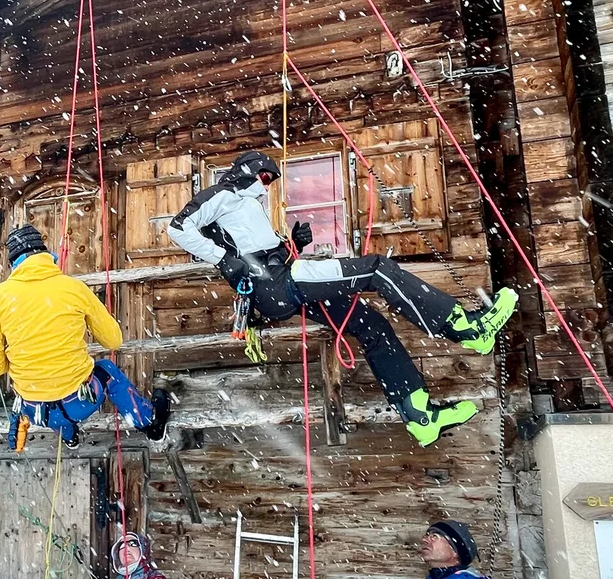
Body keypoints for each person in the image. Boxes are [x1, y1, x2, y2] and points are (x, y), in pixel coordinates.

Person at [167, 150, 516, 447]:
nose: (266, 184)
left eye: (270, 180)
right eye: (264, 176)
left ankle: (419, 414)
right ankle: (465, 327)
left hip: (280, 283)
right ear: (248, 169)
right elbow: (177, 227)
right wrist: (223, 258)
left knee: (371, 325)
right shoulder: (222, 193)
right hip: (276, 284)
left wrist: (294, 243)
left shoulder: (245, 205)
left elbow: (259, 249)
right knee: (376, 269)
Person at [0, 223, 171, 451]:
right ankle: (150, 424)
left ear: (14, 264)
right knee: (107, 370)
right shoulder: (73, 288)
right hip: (80, 402)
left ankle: (69, 437)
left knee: (49, 398)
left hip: (37, 412)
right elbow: (113, 341)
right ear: (46, 255)